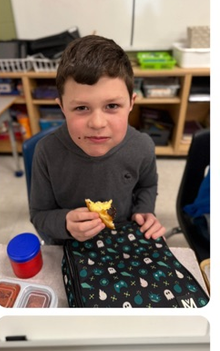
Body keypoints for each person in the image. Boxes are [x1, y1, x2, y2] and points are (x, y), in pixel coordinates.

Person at [30, 35, 163, 244]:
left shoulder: (143, 146)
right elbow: (39, 214)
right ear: (62, 108)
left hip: (123, 240)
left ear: (131, 103)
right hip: (68, 246)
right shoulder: (46, 152)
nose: (98, 123)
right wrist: (65, 222)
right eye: (81, 108)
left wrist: (144, 211)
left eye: (112, 106)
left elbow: (147, 186)